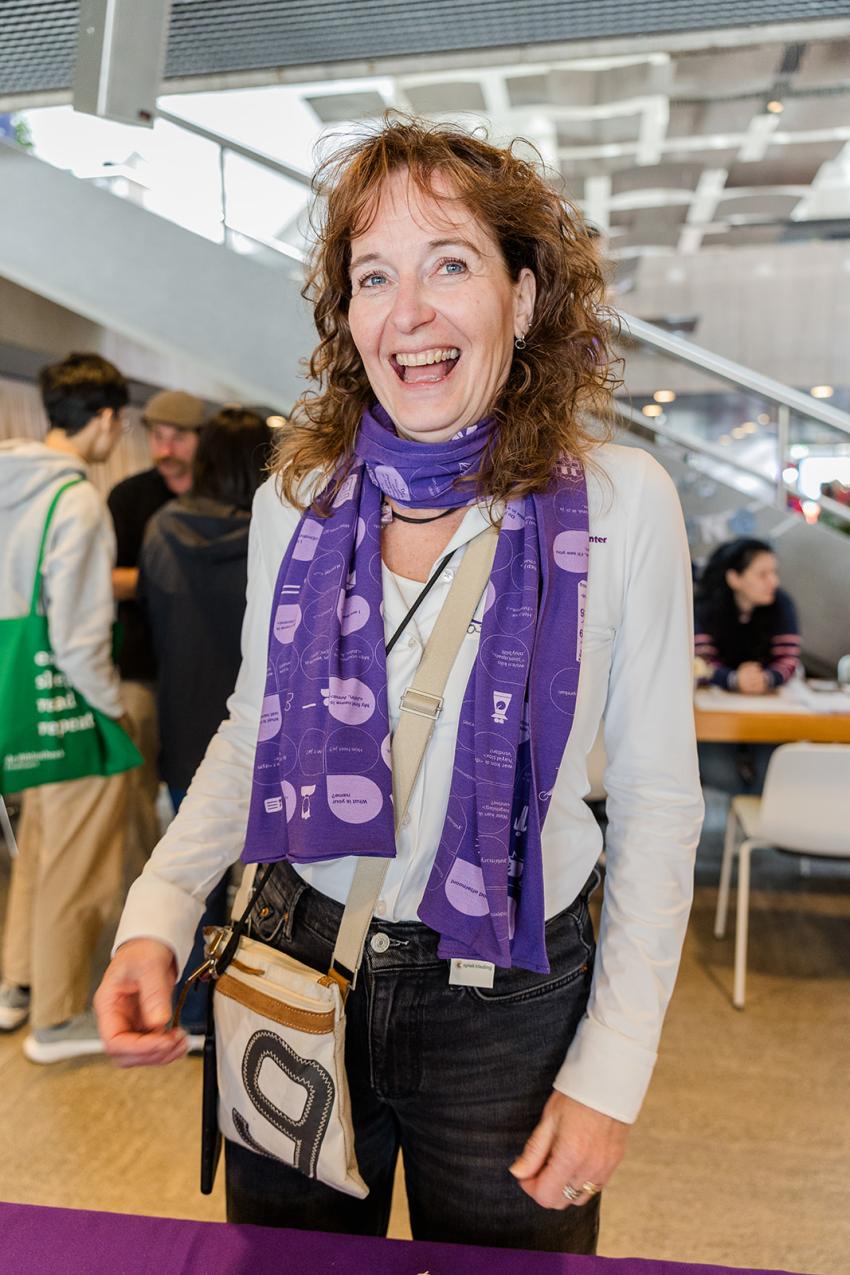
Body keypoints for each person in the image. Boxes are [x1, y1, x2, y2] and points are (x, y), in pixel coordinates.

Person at [95, 119, 703, 1255]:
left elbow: (663, 804)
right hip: (288, 954)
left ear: (523, 298)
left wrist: (611, 1070)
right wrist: (160, 912)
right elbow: (249, 733)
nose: (408, 311)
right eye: (374, 275)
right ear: (346, 314)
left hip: (508, 1003)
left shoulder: (620, 503)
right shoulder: (301, 496)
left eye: (450, 264)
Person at [0, 352, 130, 1062]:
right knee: (75, 865)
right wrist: (112, 709)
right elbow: (80, 637)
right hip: (73, 705)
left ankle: (16, 985)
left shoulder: (10, 484)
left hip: (21, 702)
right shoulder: (76, 500)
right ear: (106, 419)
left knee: (38, 850)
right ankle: (54, 1019)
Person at [137, 406, 273, 1036]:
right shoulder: (276, 534)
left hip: (184, 716)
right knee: (261, 886)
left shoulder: (163, 528)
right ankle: (243, 1010)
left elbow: (154, 622)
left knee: (195, 873)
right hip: (260, 732)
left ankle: (189, 1014)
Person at [107, 389, 206, 877]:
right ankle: (143, 898)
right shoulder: (130, 497)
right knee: (137, 794)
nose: (166, 450)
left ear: (200, 440)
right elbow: (108, 580)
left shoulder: (222, 492)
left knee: (204, 790)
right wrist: (174, 577)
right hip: (143, 669)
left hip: (209, 673)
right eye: (157, 438)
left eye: (178, 438)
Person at [695, 537, 801, 793]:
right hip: (716, 712)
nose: (773, 582)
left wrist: (766, 678)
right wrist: (732, 678)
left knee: (772, 771)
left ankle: (754, 822)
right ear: (734, 578)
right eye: (763, 574)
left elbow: (788, 658)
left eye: (774, 573)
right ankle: (742, 819)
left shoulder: (781, 604)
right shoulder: (703, 607)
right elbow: (699, 662)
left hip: (768, 710)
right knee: (719, 770)